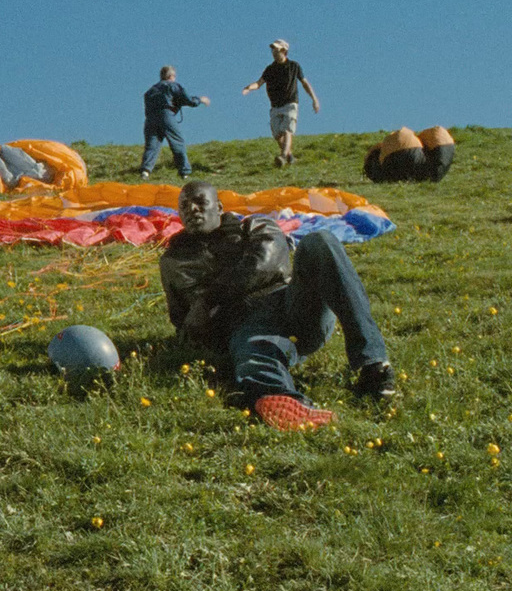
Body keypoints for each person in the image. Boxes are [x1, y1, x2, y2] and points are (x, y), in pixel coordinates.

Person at [159, 181, 396, 430]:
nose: (192, 209)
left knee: (320, 241)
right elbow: (182, 320)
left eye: (200, 202)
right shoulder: (172, 261)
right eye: (184, 206)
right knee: (253, 349)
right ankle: (281, 402)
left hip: (292, 306)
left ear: (218, 207)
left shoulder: (255, 226)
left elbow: (265, 264)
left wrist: (209, 298)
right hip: (243, 326)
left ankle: (373, 367)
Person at [242, 39, 320, 167]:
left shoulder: (294, 66)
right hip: (275, 105)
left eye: (276, 50)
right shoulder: (270, 69)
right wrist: (249, 88)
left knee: (287, 130)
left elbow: (305, 83)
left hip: (290, 102)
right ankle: (289, 155)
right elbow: (259, 83)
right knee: (277, 134)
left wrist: (314, 99)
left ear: (284, 51)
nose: (273, 52)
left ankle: (283, 156)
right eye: (272, 50)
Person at [139, 66, 209, 179]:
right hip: (166, 115)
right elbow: (188, 100)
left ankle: (145, 171)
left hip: (150, 119)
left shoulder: (150, 91)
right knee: (177, 142)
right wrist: (200, 100)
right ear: (171, 76)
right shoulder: (172, 85)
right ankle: (184, 172)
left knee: (152, 145)